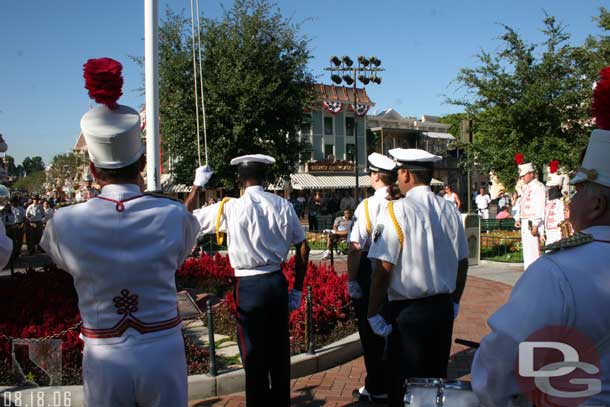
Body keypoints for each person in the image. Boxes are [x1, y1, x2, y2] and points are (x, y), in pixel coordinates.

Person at [40, 57, 199, 407]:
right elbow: (181, 253)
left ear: (93, 170)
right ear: (142, 163)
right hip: (162, 351)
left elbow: (59, 259)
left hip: (104, 355)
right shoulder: (174, 216)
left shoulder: (64, 224)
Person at [472, 68, 610, 406]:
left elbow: (501, 364)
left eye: (576, 194)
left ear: (596, 204)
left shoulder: (557, 272)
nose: (568, 202)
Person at [185, 154, 309, 407]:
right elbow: (303, 245)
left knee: (253, 356)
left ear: (240, 179)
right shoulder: (284, 205)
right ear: (265, 177)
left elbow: (184, 217)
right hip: (276, 281)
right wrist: (297, 287)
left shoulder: (230, 207)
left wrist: (198, 184)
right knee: (278, 352)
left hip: (249, 285)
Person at [367, 148, 469, 407]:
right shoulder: (449, 209)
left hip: (408, 312)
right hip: (442, 308)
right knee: (435, 383)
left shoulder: (395, 210)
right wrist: (455, 300)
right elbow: (462, 262)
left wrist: (371, 312)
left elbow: (383, 270)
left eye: (399, 172)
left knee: (403, 385)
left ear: (405, 174)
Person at [347, 153, 397, 402]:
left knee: (371, 334)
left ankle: (376, 386)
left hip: (373, 270)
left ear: (376, 176)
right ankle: (393, 382)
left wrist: (352, 280)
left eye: (370, 173)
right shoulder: (402, 200)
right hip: (401, 273)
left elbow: (356, 247)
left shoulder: (367, 205)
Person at [515, 160, 547, 269]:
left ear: (531, 174)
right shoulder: (526, 188)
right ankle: (528, 270)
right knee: (527, 251)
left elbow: (539, 206)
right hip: (525, 221)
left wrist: (536, 224)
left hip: (532, 222)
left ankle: (536, 273)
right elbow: (521, 204)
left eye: (524, 175)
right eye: (521, 176)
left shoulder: (538, 187)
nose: (522, 178)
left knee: (534, 251)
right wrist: (518, 218)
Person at [544, 173, 566, 245]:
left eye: (550, 187)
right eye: (547, 187)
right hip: (549, 236)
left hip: (558, 236)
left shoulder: (562, 203)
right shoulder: (547, 202)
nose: (548, 189)